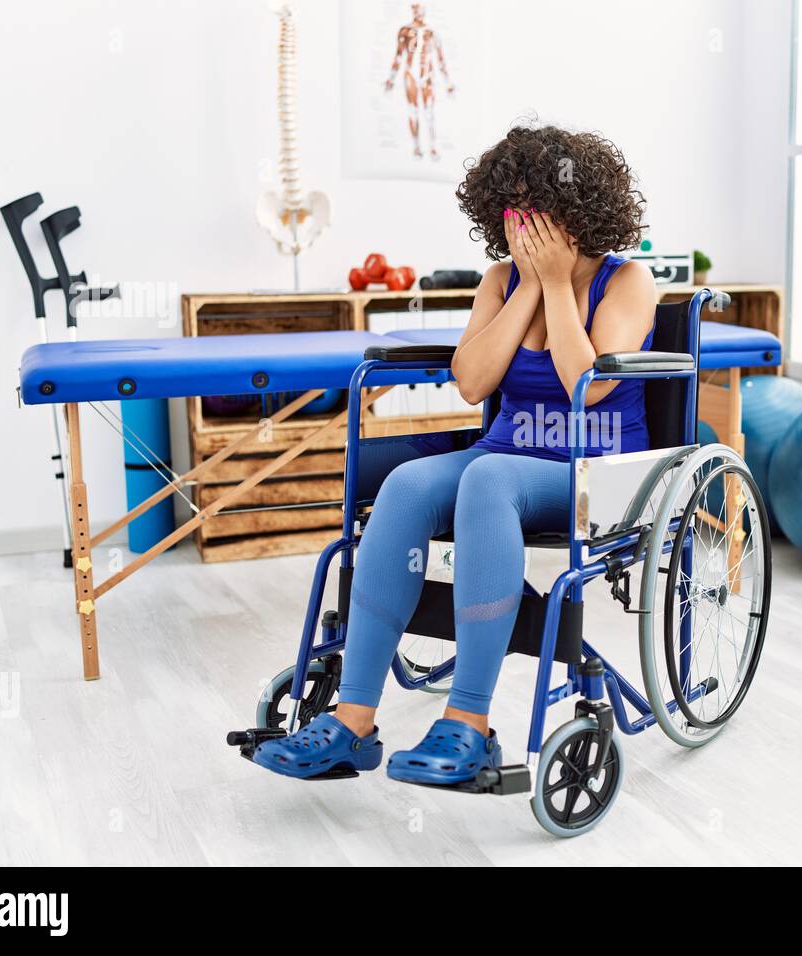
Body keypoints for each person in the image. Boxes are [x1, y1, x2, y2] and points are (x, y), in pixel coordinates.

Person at [255, 125, 656, 784]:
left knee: (490, 477)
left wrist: (557, 286)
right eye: (514, 210)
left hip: (597, 473)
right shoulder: (499, 281)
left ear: (579, 212)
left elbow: (590, 385)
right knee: (409, 484)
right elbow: (472, 382)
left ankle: (469, 724)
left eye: (538, 210)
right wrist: (526, 285)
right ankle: (353, 723)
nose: (524, 226)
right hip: (504, 459)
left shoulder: (628, 282)